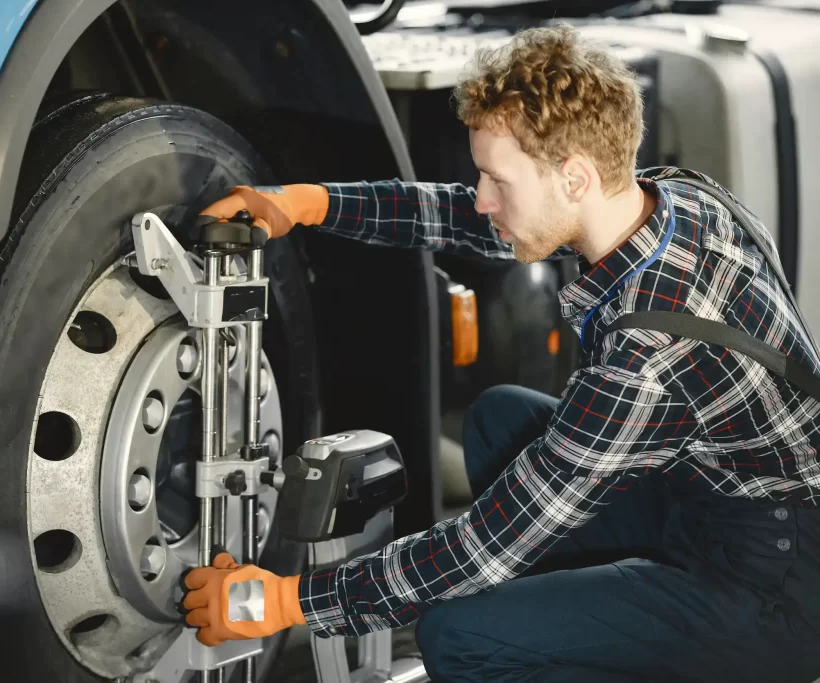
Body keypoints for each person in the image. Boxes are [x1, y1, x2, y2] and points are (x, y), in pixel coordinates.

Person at [180, 23, 820, 682]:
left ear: (573, 178)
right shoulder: (678, 198)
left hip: (778, 590)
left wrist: (280, 600)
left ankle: (610, 644)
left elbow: (484, 545)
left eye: (496, 179)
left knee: (456, 632)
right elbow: (466, 218)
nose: (483, 197)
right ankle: (578, 624)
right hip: (714, 499)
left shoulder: (651, 355)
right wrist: (308, 205)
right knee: (499, 421)